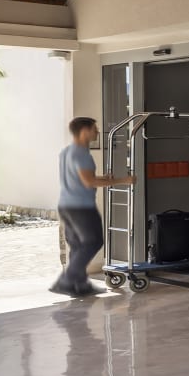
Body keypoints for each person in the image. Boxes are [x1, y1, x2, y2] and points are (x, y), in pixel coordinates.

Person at [53, 116, 131, 298]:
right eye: (94, 129)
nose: (97, 132)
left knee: (77, 246)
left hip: (66, 205)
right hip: (82, 207)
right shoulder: (82, 154)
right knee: (93, 242)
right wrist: (124, 180)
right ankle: (66, 281)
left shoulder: (66, 152)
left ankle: (79, 286)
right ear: (84, 131)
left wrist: (103, 178)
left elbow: (77, 178)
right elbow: (88, 182)